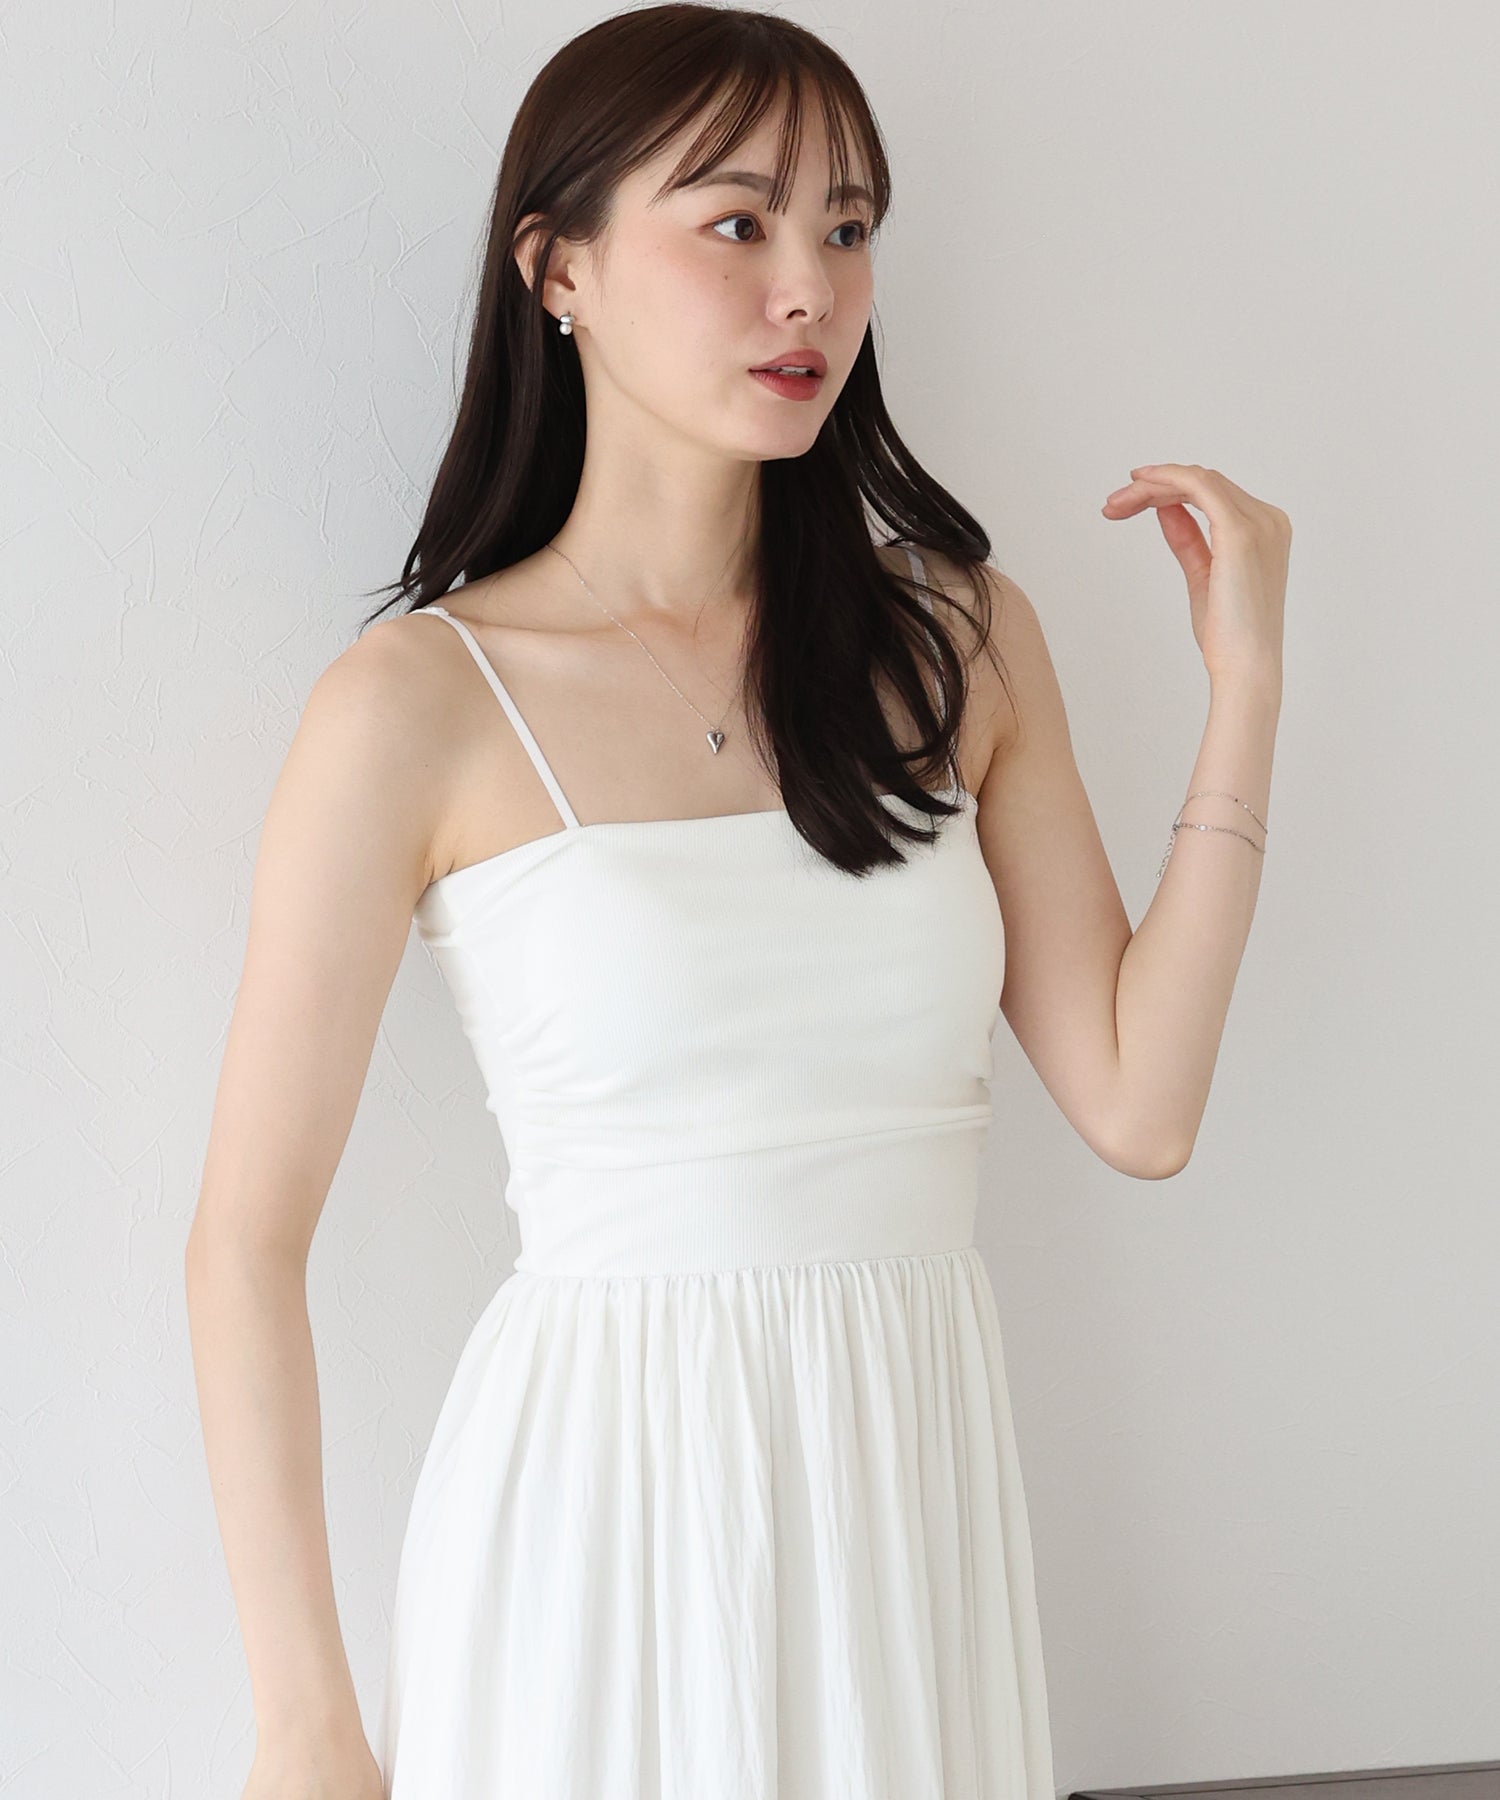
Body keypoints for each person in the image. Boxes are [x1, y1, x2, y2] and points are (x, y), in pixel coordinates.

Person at [183, 6, 1291, 1797]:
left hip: (907, 1524)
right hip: (595, 1536)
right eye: (739, 221)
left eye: (847, 227)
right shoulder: (417, 706)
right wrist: (306, 1724)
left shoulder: (957, 643)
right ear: (558, 269)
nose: (809, 289)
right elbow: (244, 1242)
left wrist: (1246, 687)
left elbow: (1140, 1107)